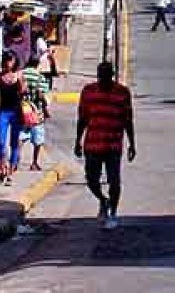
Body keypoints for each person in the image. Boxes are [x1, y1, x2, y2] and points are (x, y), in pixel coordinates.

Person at [75, 61, 136, 229]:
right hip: (92, 144)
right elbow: (82, 118)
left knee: (114, 181)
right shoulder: (88, 92)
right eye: (100, 75)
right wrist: (77, 141)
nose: (103, 79)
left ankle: (113, 213)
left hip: (113, 145)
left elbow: (128, 119)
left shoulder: (122, 93)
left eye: (106, 75)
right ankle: (103, 200)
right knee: (91, 179)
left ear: (112, 75)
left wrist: (132, 144)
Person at [0, 51, 26, 184]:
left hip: (16, 112)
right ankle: (3, 169)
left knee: (14, 143)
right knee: (1, 142)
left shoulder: (18, 75)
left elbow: (24, 92)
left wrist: (20, 82)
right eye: (7, 60)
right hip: (3, 112)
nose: (9, 63)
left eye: (11, 61)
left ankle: (10, 172)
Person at [21, 55, 51, 172]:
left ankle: (15, 160)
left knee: (21, 136)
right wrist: (46, 109)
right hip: (37, 113)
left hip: (23, 110)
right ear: (37, 64)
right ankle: (34, 162)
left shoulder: (21, 74)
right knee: (37, 139)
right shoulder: (40, 77)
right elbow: (43, 96)